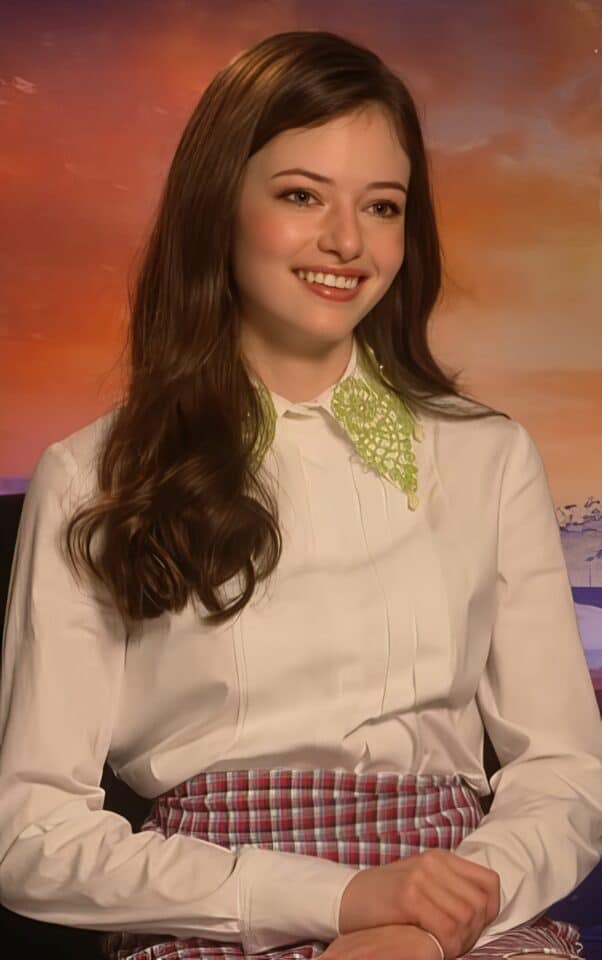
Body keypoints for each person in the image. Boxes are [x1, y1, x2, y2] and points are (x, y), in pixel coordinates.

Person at [0, 29, 600, 960]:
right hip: (209, 909)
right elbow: (30, 834)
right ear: (219, 210)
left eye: (384, 206)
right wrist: (340, 900)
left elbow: (565, 772)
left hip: (459, 913)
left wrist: (436, 920)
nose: (348, 243)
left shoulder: (489, 456)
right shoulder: (96, 474)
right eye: (299, 196)